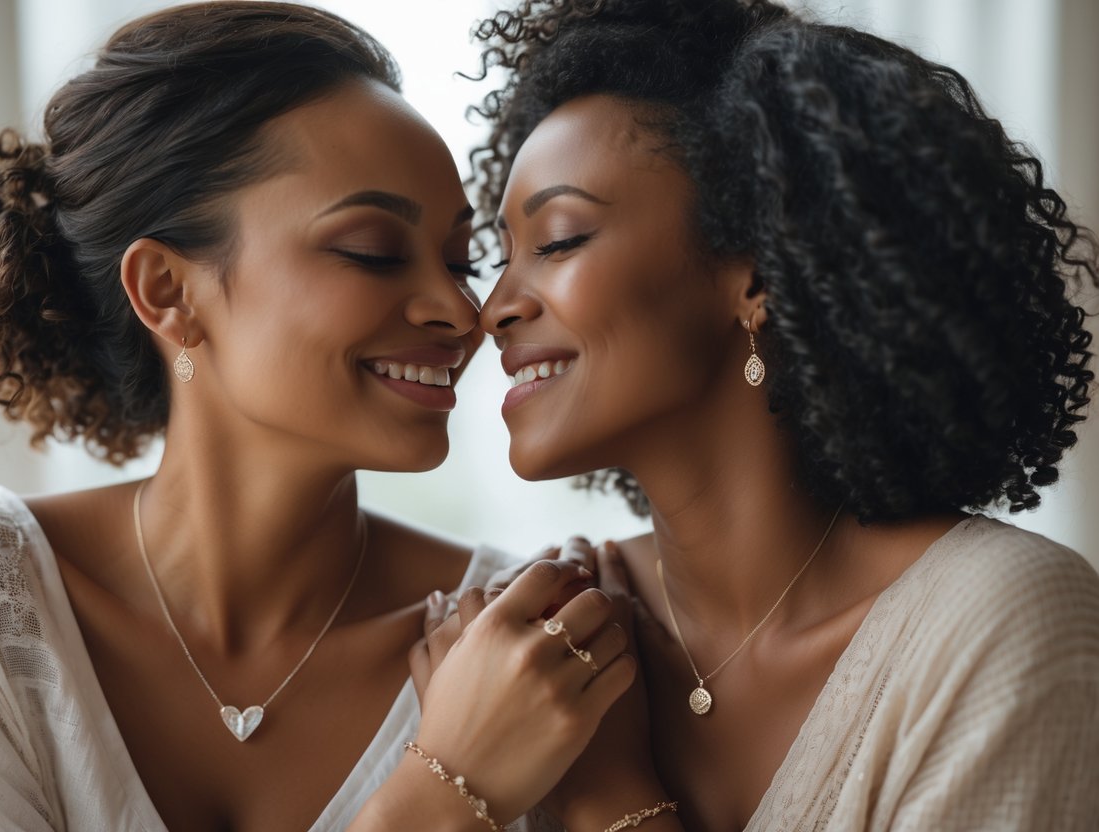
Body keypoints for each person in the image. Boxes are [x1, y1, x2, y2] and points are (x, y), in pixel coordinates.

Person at [0, 3, 636, 829]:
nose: (461, 315)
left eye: (460, 262)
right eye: (373, 252)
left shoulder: (522, 639)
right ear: (168, 292)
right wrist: (444, 789)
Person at [467, 0, 1099, 828]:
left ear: (758, 277)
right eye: (500, 257)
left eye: (556, 241)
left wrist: (605, 796)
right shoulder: (525, 631)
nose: (495, 309)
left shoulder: (998, 623)